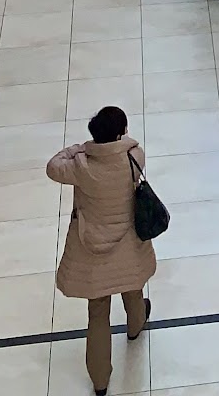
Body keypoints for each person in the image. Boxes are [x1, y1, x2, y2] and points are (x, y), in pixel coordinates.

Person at [47, 105, 156, 396]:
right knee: (132, 287)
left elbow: (52, 166)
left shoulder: (80, 167)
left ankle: (100, 382)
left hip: (91, 247)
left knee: (97, 313)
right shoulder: (133, 158)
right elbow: (133, 145)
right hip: (127, 241)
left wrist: (81, 148)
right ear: (121, 133)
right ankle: (135, 326)